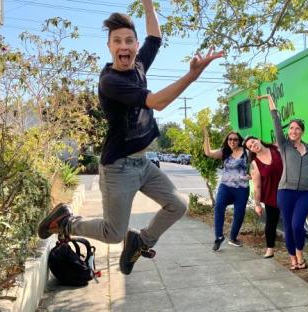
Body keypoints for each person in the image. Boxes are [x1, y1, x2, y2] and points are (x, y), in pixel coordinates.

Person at [37, 0, 224, 276]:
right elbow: (155, 102)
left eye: (129, 41)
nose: (124, 46)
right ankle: (67, 222)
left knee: (178, 204)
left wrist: (148, 3)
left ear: (135, 46)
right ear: (109, 46)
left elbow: (155, 38)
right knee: (113, 233)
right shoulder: (110, 81)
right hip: (118, 168)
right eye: (117, 41)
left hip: (143, 164)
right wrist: (192, 76)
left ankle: (140, 241)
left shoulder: (138, 65)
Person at [258, 94, 308, 270]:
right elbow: (276, 121)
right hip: (285, 192)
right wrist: (270, 99)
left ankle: (300, 256)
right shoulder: (284, 145)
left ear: (302, 131)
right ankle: (294, 259)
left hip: (304, 193)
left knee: (297, 225)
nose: (292, 131)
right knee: (288, 226)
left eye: (296, 129)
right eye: (291, 128)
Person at [203, 129, 250, 251]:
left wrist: (253, 174)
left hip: (241, 189)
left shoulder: (246, 152)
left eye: (235, 139)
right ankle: (218, 237)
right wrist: (206, 136)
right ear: (227, 141)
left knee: (239, 214)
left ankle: (233, 238)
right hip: (226, 187)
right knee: (218, 206)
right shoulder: (225, 152)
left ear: (239, 141)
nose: (232, 141)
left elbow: (257, 163)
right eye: (230, 139)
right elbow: (208, 152)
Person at [242, 135, 283, 258]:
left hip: (287, 191)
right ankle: (270, 249)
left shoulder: (276, 149)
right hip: (271, 195)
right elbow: (257, 186)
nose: (253, 146)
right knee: (271, 222)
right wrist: (257, 204)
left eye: (253, 142)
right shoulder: (255, 164)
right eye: (250, 146)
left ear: (259, 139)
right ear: (250, 150)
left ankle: (297, 251)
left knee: (293, 222)